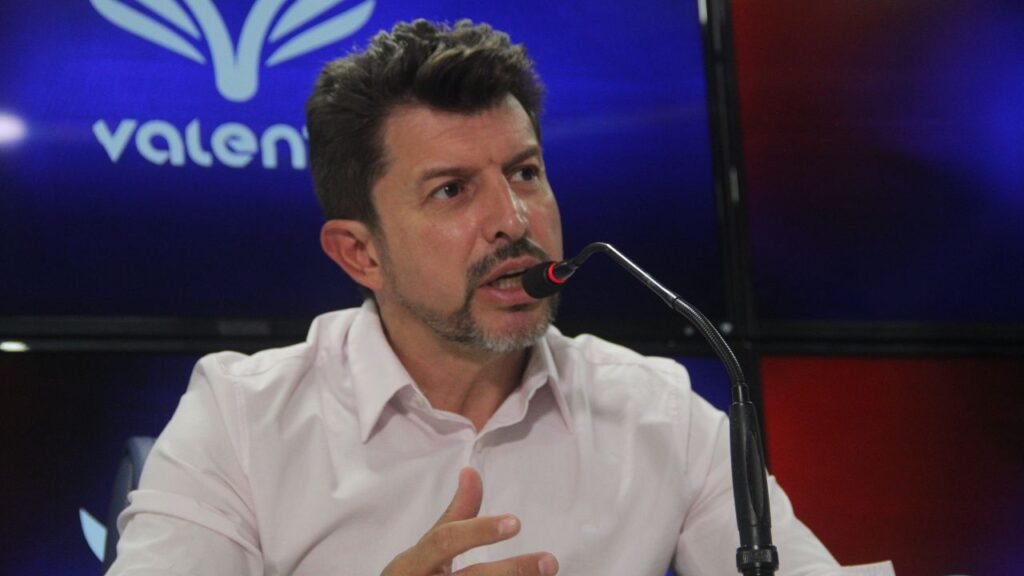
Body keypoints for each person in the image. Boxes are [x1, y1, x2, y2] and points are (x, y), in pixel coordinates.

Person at [108, 20, 894, 576]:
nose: (514, 221)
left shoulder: (661, 414)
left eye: (524, 173)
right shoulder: (241, 419)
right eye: (452, 190)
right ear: (361, 253)